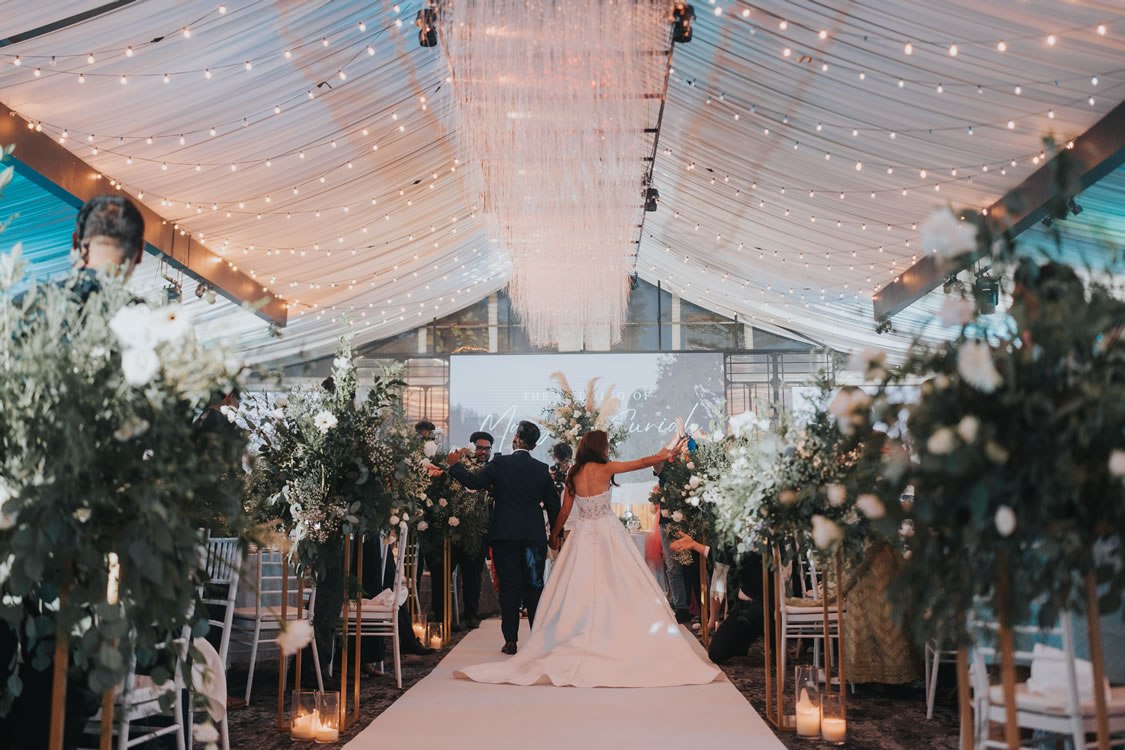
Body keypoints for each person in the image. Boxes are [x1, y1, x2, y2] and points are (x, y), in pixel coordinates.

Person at [0, 195, 145, 749]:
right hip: (86, 549)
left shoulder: (25, 308)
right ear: (138, 256)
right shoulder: (141, 329)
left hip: (14, 533)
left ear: (74, 246)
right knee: (71, 681)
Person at [453, 430, 721, 687]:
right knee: (619, 584)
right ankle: (614, 634)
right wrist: (671, 448)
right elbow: (644, 461)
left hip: (582, 536)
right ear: (600, 447)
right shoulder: (607, 468)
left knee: (575, 588)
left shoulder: (574, 472)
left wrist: (554, 535)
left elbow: (564, 511)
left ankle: (571, 636)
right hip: (608, 533)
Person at [446, 421, 559, 655]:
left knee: (509, 587)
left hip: (505, 536)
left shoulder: (500, 463)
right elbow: (553, 506)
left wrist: (455, 465)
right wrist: (554, 535)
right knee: (534, 586)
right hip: (533, 536)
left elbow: (474, 482)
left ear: (516, 439)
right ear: (533, 445)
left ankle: (511, 641)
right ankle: (537, 640)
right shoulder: (541, 469)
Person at [671, 532, 773, 665]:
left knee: (761, 615)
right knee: (716, 653)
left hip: (766, 605)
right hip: (744, 607)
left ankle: (775, 645)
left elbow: (730, 557)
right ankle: (743, 641)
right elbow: (722, 566)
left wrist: (695, 545)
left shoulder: (763, 539)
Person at [428, 431, 494, 632]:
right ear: (471, 447)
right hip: (450, 531)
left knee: (473, 576)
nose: (483, 452)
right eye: (479, 447)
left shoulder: (491, 470)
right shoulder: (456, 466)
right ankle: (441, 614)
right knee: (441, 573)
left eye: (487, 449)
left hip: (477, 533)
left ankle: (471, 615)